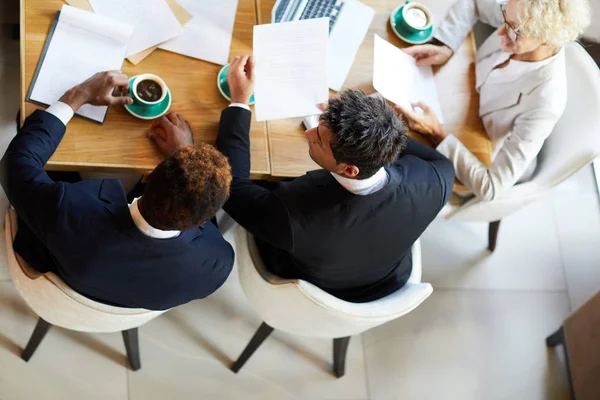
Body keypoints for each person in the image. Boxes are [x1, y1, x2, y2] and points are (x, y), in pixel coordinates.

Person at [211, 55, 454, 303]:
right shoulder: (437, 180)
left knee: (257, 185)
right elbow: (442, 162)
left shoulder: (294, 214)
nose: (307, 133)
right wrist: (369, 124)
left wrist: (239, 101)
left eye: (317, 139)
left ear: (349, 170)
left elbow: (232, 188)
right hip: (386, 275)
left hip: (318, 285)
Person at [1, 71, 234, 311]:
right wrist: (185, 157)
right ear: (202, 221)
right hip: (114, 293)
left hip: (58, 258)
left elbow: (15, 165)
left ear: (148, 176)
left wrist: (78, 95)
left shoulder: (69, 210)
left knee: (26, 118)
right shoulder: (217, 264)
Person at [398, 0, 591, 201]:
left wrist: (437, 134)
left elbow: (491, 187)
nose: (500, 32)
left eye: (514, 31)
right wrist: (447, 45)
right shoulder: (519, 13)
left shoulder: (545, 104)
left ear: (546, 40)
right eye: (504, 17)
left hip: (483, 143)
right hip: (465, 95)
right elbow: (474, 2)